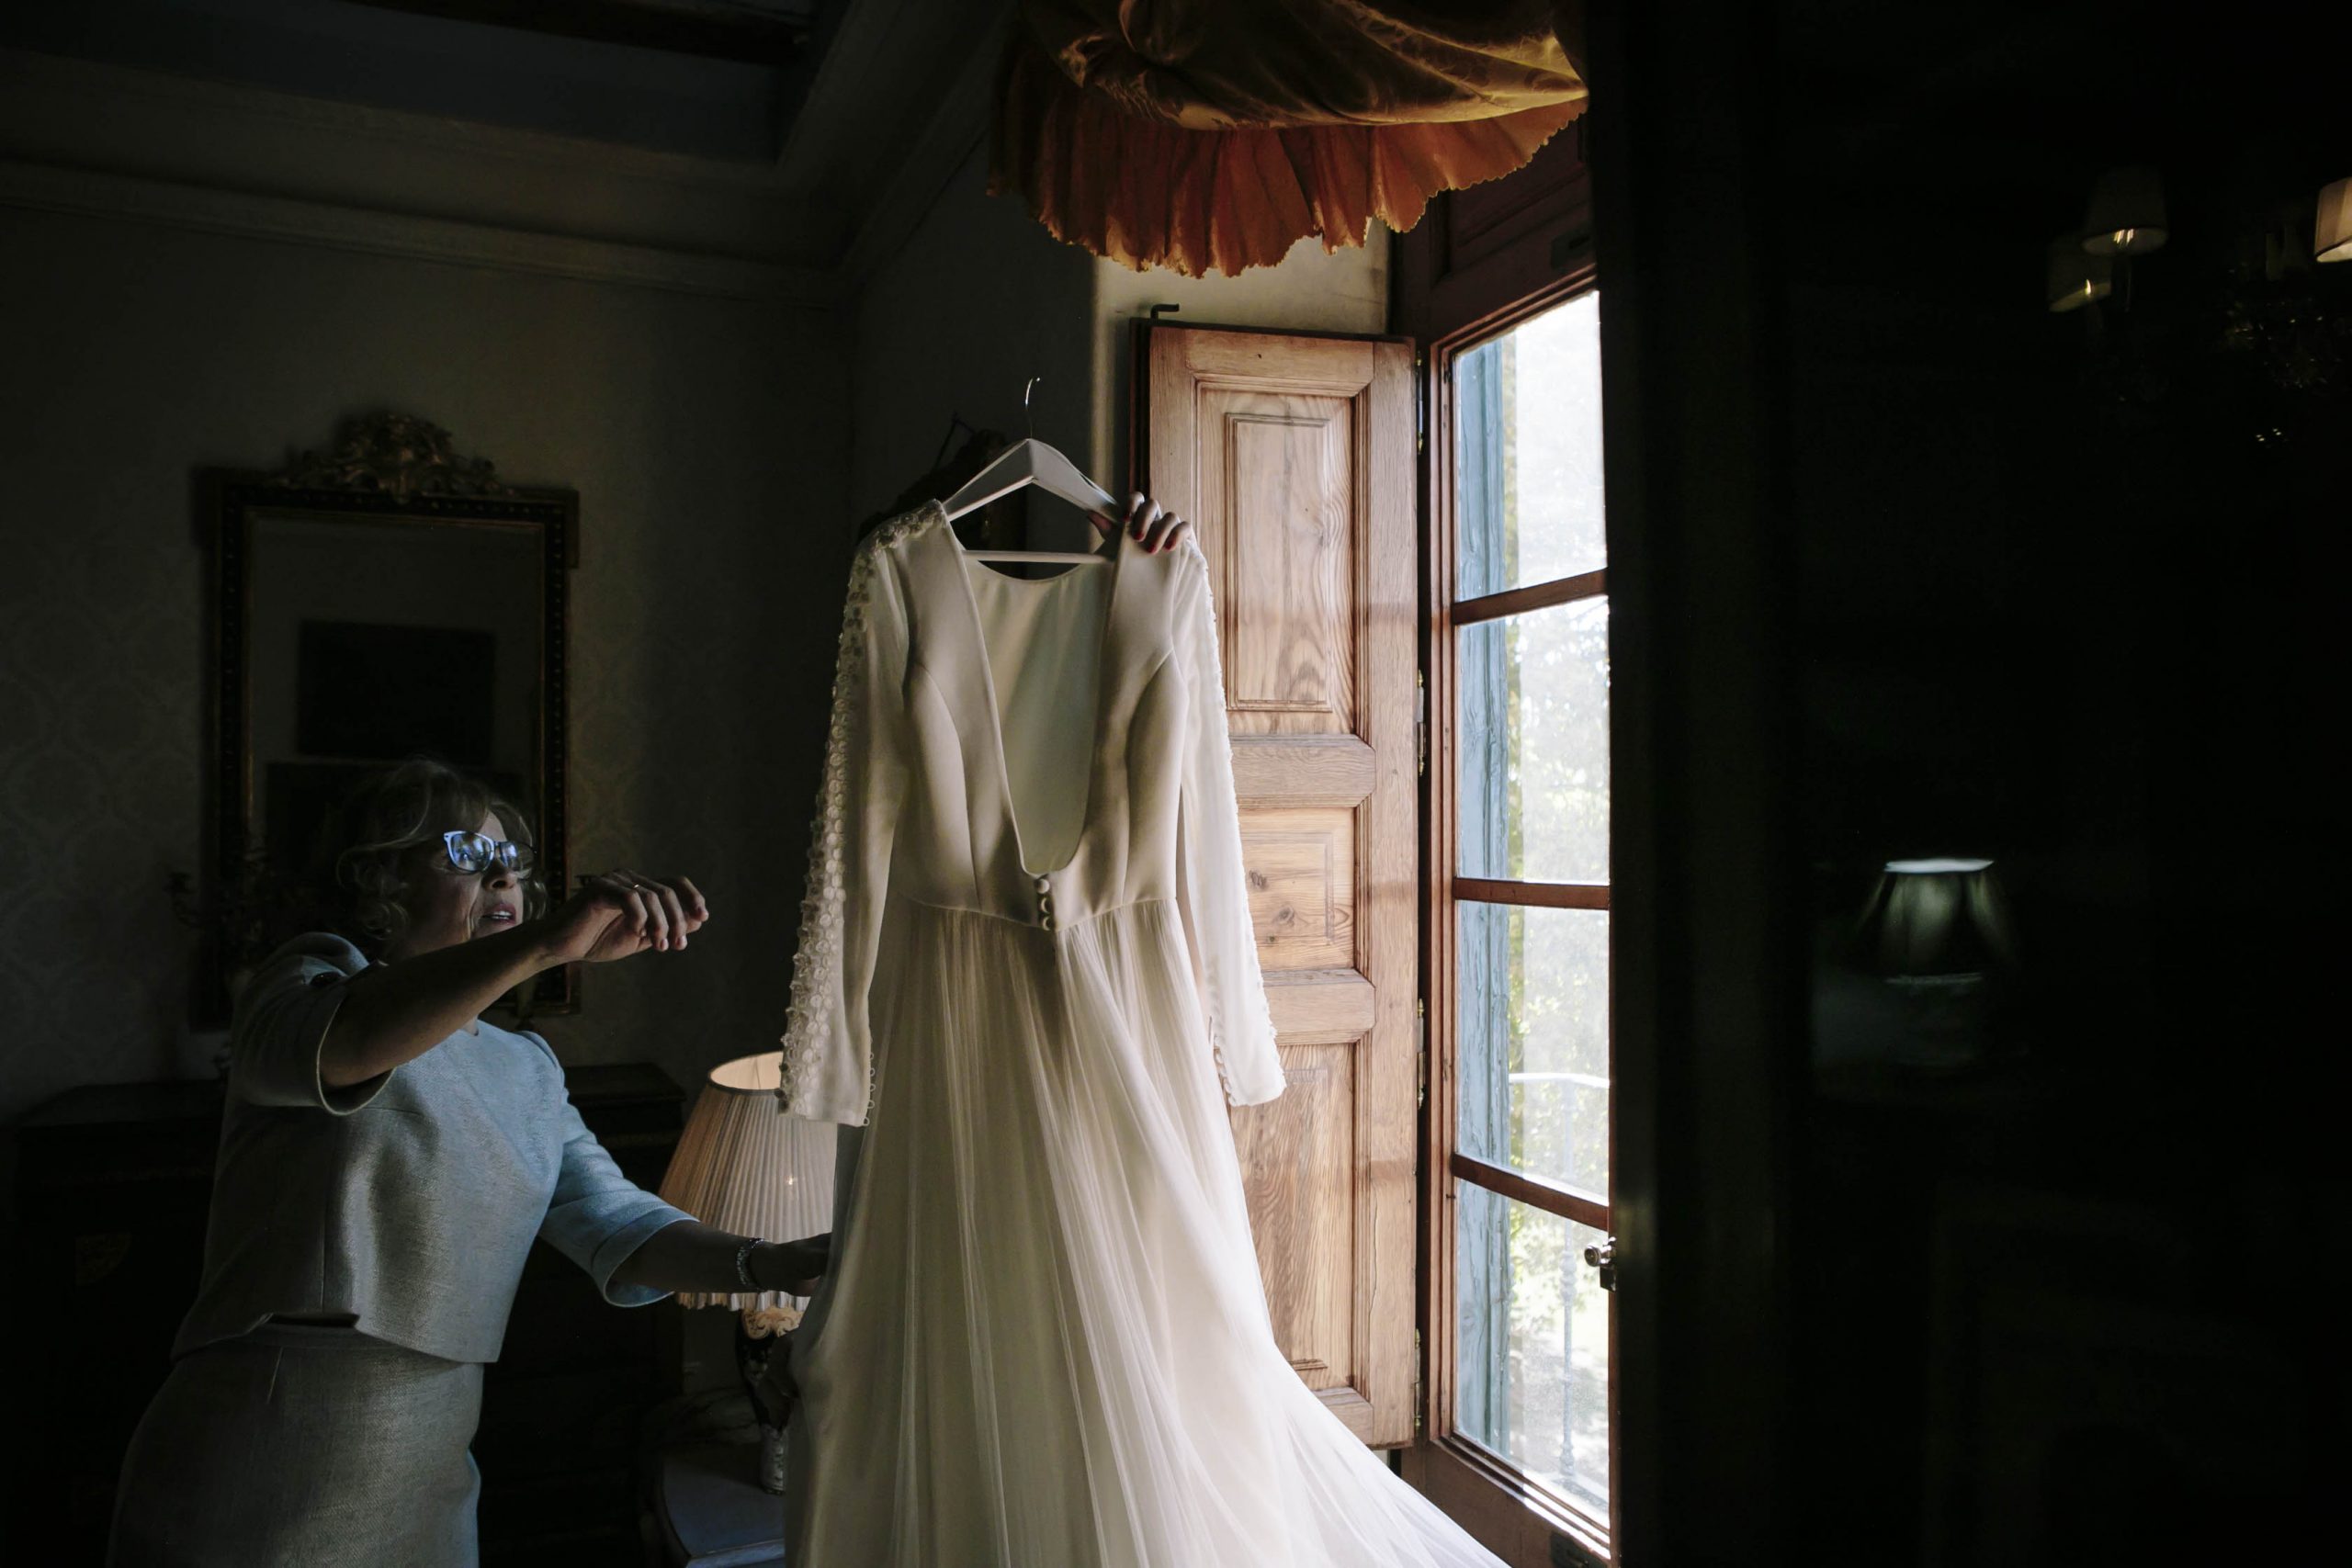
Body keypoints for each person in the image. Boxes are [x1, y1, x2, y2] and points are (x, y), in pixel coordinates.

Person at [107, 759, 823, 1566]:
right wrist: (547, 945)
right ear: (380, 879)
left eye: (513, 860)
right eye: (465, 852)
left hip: (438, 1450)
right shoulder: (309, 983)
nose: (503, 875)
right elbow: (346, 1044)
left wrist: (771, 1261)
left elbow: (620, 1223)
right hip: (278, 1432)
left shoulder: (527, 1067)